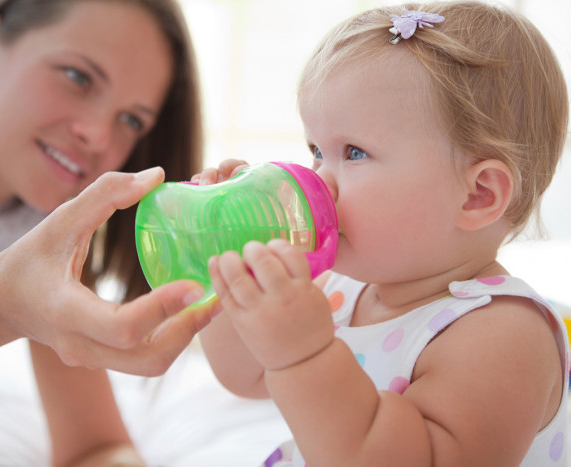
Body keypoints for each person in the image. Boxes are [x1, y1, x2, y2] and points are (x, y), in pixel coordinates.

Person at [199, 1, 570, 466]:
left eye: (353, 152)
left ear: (476, 195)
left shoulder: (502, 334)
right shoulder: (343, 289)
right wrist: (230, 276)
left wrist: (306, 357)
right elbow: (247, 374)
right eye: (316, 150)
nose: (319, 179)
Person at [0, 0, 214, 464]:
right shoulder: (21, 275)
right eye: (78, 77)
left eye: (131, 120)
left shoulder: (38, 232)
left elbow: (95, 445)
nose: (97, 134)